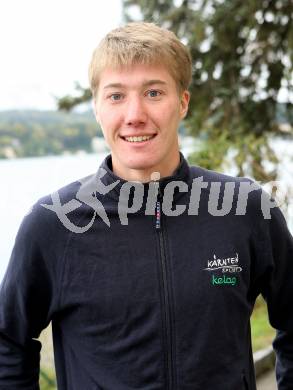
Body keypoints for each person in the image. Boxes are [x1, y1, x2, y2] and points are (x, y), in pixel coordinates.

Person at [0, 22, 292, 390]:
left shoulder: (246, 210)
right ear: (97, 108)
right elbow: (8, 344)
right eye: (116, 95)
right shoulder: (54, 225)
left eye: (154, 93)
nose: (135, 114)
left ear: (183, 102)